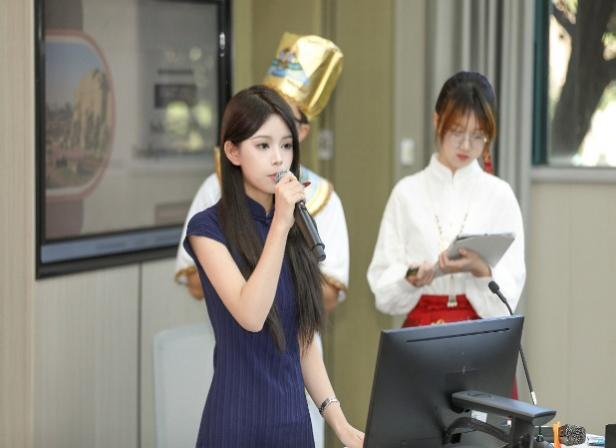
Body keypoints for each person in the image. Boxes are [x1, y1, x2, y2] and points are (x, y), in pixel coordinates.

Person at [175, 33, 348, 447]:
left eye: (286, 145)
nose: (278, 158)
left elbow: (304, 342)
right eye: (263, 145)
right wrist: (281, 226)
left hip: (293, 424)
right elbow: (252, 315)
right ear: (233, 152)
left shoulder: (296, 223)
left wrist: (340, 424)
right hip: (236, 422)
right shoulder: (207, 228)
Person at [367, 71, 526, 328]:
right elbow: (382, 290)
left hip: (481, 334)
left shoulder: (499, 195)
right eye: (457, 132)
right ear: (437, 121)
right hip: (420, 333)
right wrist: (411, 278)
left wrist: (481, 269)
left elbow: (509, 298)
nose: (466, 146)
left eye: (478, 135)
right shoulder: (406, 193)